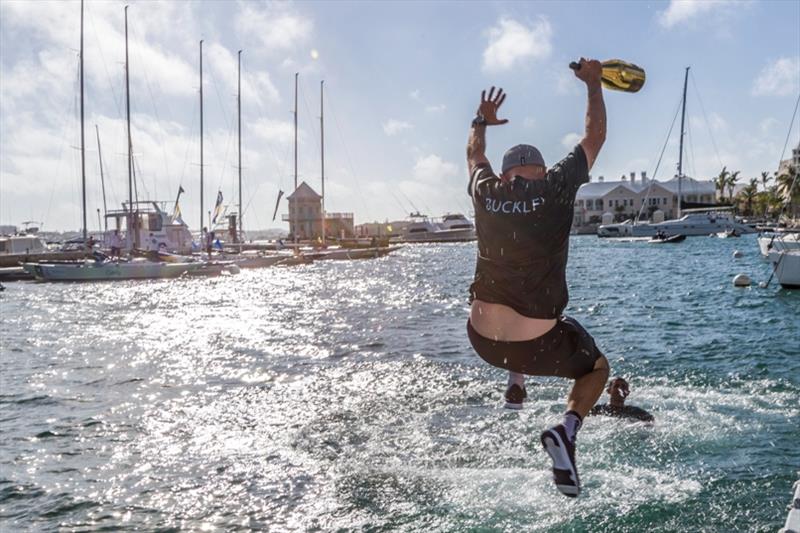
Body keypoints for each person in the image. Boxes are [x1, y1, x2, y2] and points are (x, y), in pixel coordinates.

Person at [465, 58, 608, 498]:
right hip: (536, 340)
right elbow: (593, 136)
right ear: (542, 172)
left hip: (482, 340)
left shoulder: (486, 189)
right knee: (597, 369)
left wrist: (480, 120)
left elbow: (474, 154)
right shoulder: (556, 186)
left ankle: (514, 383)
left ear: (506, 175)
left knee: (500, 291)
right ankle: (566, 431)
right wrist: (593, 83)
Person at [590, 377, 654, 422]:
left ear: (627, 392)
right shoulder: (598, 410)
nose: (620, 388)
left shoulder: (637, 412)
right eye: (616, 386)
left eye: (623, 386)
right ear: (609, 391)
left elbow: (652, 422)